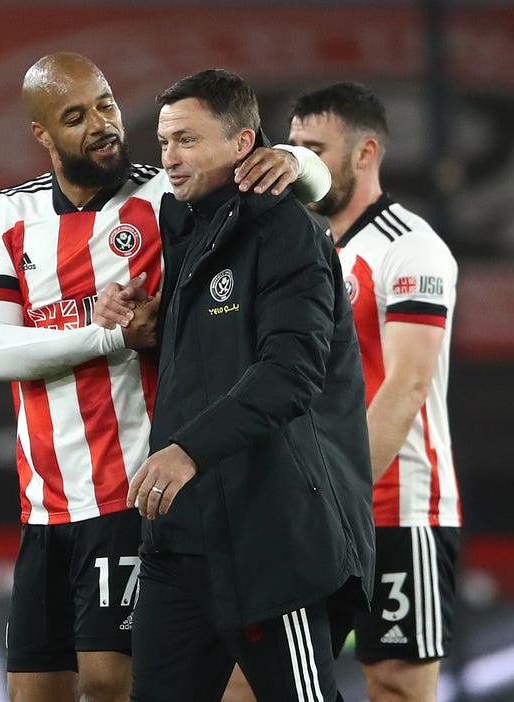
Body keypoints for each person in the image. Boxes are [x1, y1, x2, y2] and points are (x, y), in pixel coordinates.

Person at [0, 52, 331, 702]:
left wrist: (299, 162)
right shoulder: (3, 217)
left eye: (106, 103)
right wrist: (108, 334)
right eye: (76, 117)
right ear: (42, 134)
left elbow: (306, 192)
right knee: (33, 692)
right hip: (46, 501)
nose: (103, 124)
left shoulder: (164, 194)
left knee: (113, 681)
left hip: (136, 487)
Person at [99, 68, 375, 702]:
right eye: (165, 141)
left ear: (244, 145)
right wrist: (132, 311)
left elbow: (291, 374)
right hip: (180, 536)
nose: (169, 158)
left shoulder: (288, 234)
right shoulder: (180, 219)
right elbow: (204, 348)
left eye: (188, 141)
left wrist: (187, 449)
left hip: (269, 538)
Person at [288, 82, 461, 702]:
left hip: (395, 506)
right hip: (311, 510)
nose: (298, 161)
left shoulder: (410, 247)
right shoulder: (303, 248)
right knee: (257, 682)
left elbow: (408, 383)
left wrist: (338, 499)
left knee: (395, 686)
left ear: (365, 152)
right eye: (293, 145)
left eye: (315, 147)